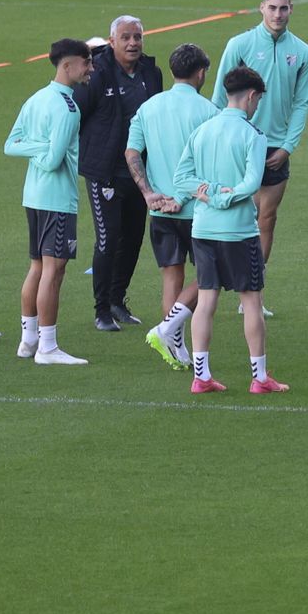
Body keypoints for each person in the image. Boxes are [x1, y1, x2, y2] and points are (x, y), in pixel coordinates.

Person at [176, 65, 288, 394]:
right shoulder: (253, 135)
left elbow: (181, 179)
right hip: (239, 232)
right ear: (252, 96)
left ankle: (201, 376)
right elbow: (252, 183)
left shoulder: (203, 130)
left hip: (204, 230)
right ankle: (259, 377)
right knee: (251, 301)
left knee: (207, 300)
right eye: (259, 100)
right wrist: (226, 198)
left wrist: (208, 192)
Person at [213, 0, 308, 317]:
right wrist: (223, 138)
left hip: (275, 148)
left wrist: (288, 145)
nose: (278, 14)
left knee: (265, 219)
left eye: (284, 8)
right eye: (272, 8)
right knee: (238, 216)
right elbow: (218, 97)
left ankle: (252, 293)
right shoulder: (239, 45)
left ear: (291, 9)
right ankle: (217, 283)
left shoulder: (301, 52)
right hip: (240, 142)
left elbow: (302, 102)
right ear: (261, 9)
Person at [124, 43, 219, 371]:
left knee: (171, 277)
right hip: (197, 211)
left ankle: (173, 345)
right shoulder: (209, 111)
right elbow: (211, 165)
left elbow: (132, 152)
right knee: (211, 275)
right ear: (201, 72)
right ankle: (167, 331)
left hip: (159, 209)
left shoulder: (148, 107)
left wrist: (149, 194)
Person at [3, 38, 92, 366]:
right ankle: (48, 347)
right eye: (86, 63)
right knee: (54, 271)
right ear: (67, 66)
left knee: (37, 267)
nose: (91, 69)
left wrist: (35, 146)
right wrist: (44, 149)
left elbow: (12, 144)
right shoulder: (68, 109)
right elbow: (54, 159)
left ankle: (28, 341)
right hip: (57, 200)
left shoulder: (36, 99)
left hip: (33, 196)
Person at [75, 15, 163, 331]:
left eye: (137, 37)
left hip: (139, 172)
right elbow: (78, 115)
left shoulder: (151, 74)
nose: (132, 43)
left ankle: (117, 300)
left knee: (133, 237)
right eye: (125, 37)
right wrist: (93, 152)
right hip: (105, 171)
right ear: (112, 41)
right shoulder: (96, 74)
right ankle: (101, 311)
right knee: (107, 239)